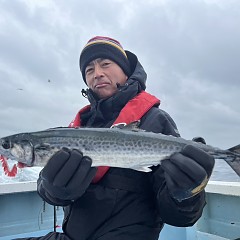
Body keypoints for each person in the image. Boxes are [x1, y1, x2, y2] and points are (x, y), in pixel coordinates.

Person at [17, 36, 215, 240]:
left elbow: (177, 217)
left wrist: (188, 194)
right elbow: (48, 189)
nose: (98, 74)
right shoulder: (81, 125)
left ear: (125, 70)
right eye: (89, 70)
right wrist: (53, 189)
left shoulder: (154, 120)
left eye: (105, 64)